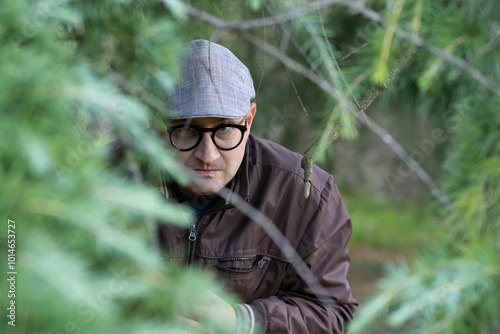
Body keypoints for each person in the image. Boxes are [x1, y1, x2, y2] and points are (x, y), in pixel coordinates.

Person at [157, 39, 357, 333]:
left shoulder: (305, 195)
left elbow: (334, 315)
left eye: (225, 129)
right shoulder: (110, 174)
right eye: (187, 130)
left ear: (248, 120)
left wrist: (244, 321)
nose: (207, 155)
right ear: (159, 125)